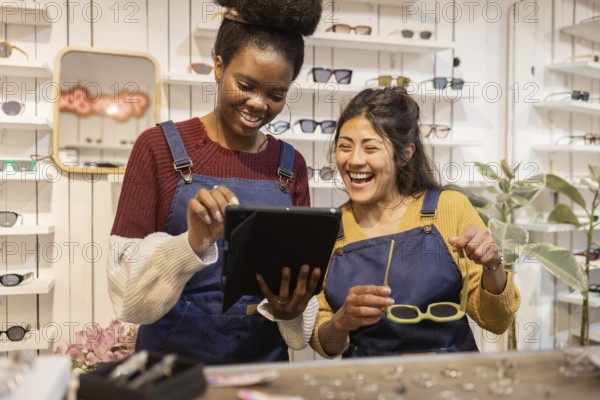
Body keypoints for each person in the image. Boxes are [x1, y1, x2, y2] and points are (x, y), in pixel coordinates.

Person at [107, 0, 324, 365]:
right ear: (218, 67)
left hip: (261, 367)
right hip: (170, 372)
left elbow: (299, 319)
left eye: (276, 95)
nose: (258, 104)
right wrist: (192, 243)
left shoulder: (290, 166)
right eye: (246, 85)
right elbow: (128, 297)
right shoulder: (157, 148)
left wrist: (290, 309)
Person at [309, 87, 521, 358]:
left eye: (370, 148)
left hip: (449, 382)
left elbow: (496, 321)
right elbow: (325, 344)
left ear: (406, 153)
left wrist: (493, 265)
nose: (354, 160)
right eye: (345, 146)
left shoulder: (448, 208)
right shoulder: (330, 230)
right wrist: (341, 321)